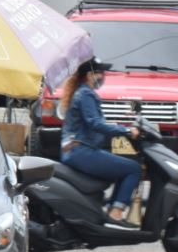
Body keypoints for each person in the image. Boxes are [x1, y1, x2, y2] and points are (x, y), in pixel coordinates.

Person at [59, 58, 142, 229]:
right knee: (133, 169)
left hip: (75, 149)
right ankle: (115, 213)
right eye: (99, 73)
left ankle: (111, 211)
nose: (102, 76)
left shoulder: (81, 92)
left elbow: (94, 121)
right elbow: (94, 123)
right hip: (81, 150)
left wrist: (121, 123)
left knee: (123, 167)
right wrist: (126, 131)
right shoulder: (86, 94)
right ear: (90, 75)